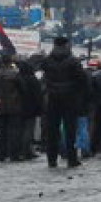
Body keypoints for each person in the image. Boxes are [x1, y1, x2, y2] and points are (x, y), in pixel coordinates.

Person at [40, 36, 88, 168]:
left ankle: (52, 159)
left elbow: (44, 77)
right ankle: (71, 159)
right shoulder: (73, 61)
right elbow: (82, 79)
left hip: (52, 98)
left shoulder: (47, 60)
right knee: (70, 130)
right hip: (70, 98)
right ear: (66, 45)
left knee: (52, 130)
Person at [0, 51, 25, 162]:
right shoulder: (16, 74)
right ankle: (14, 154)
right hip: (14, 105)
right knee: (14, 131)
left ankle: (0, 154)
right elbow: (23, 89)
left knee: (1, 131)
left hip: (0, 105)